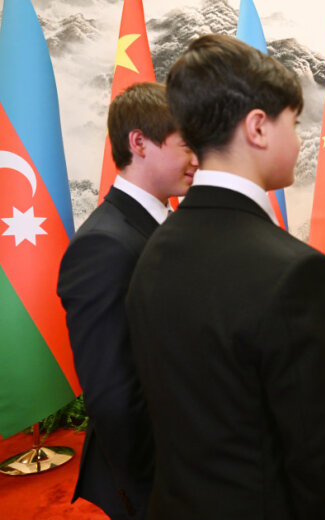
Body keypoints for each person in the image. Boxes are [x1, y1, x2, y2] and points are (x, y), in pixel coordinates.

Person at [124, 34, 325, 519]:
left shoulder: (153, 249)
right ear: (258, 127)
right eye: (294, 123)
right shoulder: (298, 273)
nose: (300, 140)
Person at [57, 82, 197, 519]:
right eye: (187, 144)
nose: (198, 158)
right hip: (155, 477)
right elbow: (114, 394)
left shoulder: (166, 223)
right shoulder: (103, 244)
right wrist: (153, 496)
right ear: (139, 142)